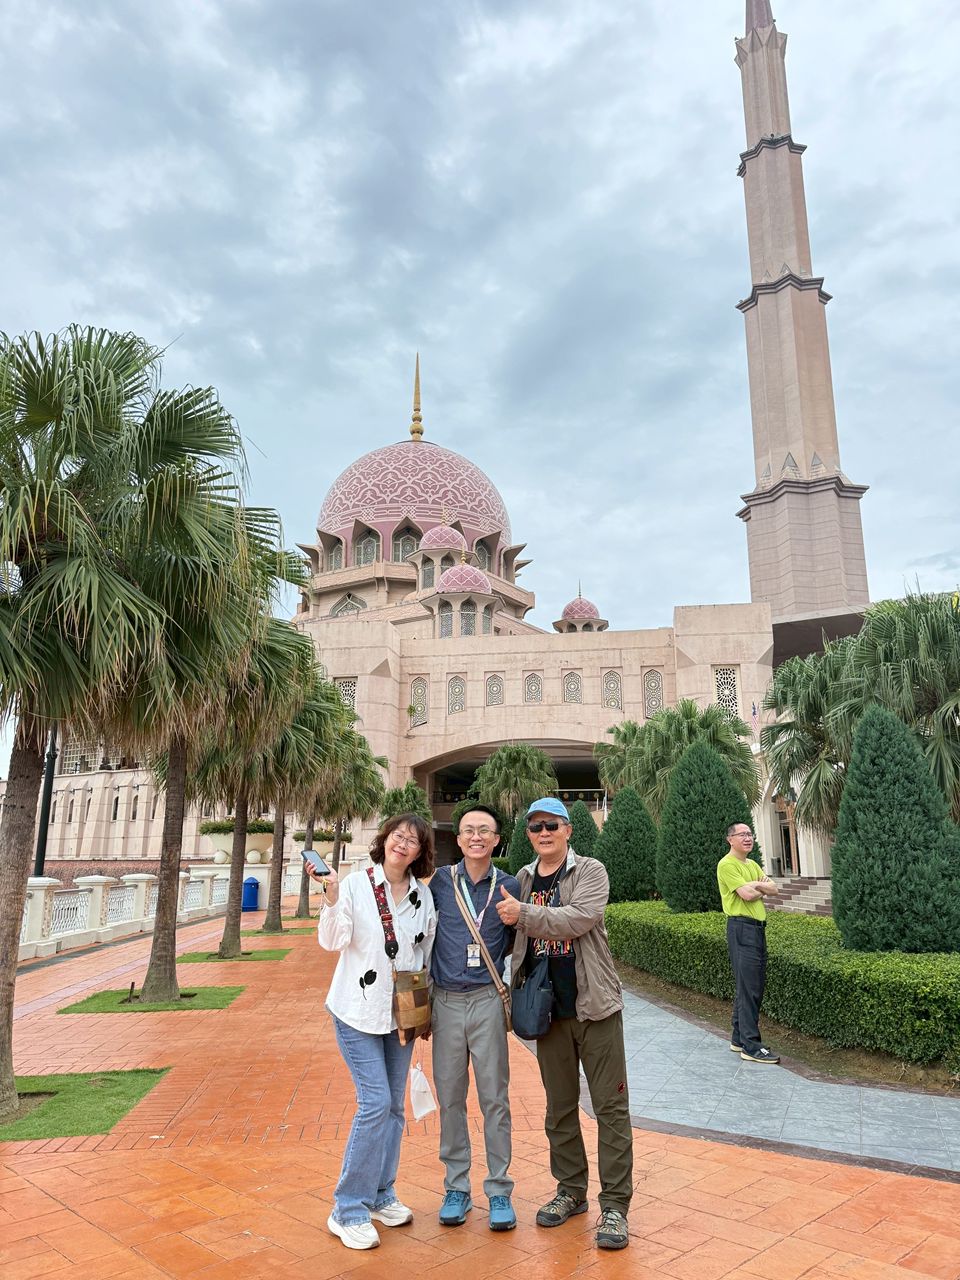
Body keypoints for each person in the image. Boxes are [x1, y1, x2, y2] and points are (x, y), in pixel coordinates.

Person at [496, 797, 632, 1252]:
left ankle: (614, 1204)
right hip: (546, 1012)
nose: (544, 833)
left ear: (568, 830)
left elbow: (579, 919)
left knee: (610, 1110)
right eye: (535, 827)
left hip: (595, 1008)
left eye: (552, 825)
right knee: (559, 1108)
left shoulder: (590, 870)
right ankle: (570, 1191)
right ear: (529, 834)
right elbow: (505, 935)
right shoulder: (522, 879)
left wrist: (525, 915)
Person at [312, 813, 437, 1251]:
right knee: (376, 1103)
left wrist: (420, 1018)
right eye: (398, 836)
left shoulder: (423, 896)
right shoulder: (353, 885)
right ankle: (347, 1208)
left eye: (413, 841)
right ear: (384, 841)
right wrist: (329, 896)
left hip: (398, 1016)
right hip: (356, 1011)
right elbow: (333, 941)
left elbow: (424, 955)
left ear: (421, 852)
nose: (403, 844)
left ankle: (383, 1194)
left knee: (395, 1110)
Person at [428, 804, 520, 1231]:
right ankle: (457, 1186)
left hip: (486, 999)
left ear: (497, 839)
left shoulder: (510, 885)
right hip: (445, 1002)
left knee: (494, 1099)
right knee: (450, 1098)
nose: (477, 837)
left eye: (485, 830)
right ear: (459, 839)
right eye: (468, 831)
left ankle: (499, 1190)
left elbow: (523, 943)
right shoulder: (440, 884)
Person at [716, 822, 779, 1064]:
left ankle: (738, 1038)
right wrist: (758, 886)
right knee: (749, 987)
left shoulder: (751, 864)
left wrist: (757, 885)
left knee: (750, 985)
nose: (748, 838)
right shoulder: (727, 864)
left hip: (757, 929)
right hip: (741, 928)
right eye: (742, 834)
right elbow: (748, 895)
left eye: (750, 834)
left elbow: (773, 889)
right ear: (730, 839)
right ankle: (751, 1046)